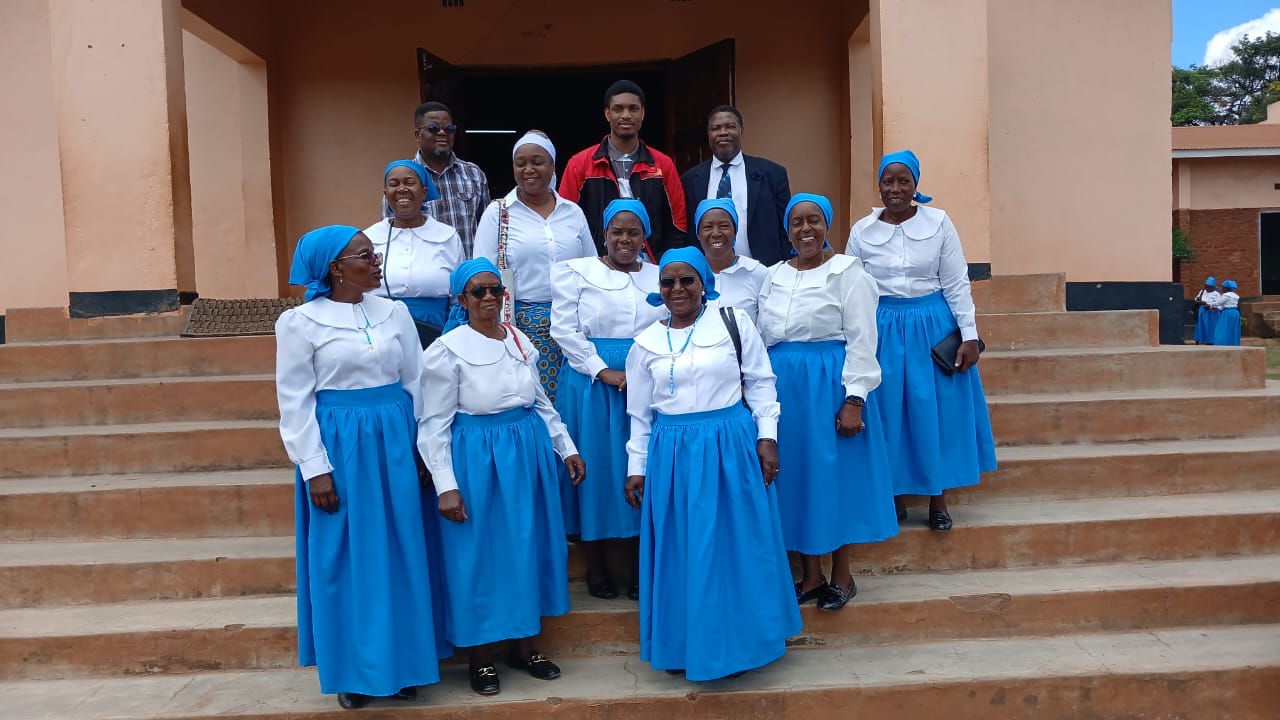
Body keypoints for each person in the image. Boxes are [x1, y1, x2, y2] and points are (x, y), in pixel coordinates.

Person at [275, 225, 448, 710]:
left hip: (395, 439)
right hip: (341, 445)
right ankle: (354, 669)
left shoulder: (394, 312)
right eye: (364, 256)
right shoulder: (300, 323)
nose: (376, 263)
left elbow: (416, 383)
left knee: (402, 550)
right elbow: (294, 402)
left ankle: (405, 663)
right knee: (346, 557)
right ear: (335, 267)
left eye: (374, 255)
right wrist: (315, 468)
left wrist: (423, 450)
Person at [624, 247, 800, 681]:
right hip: (674, 453)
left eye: (688, 280)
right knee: (686, 549)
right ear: (658, 288)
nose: (678, 289)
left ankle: (741, 646)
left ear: (705, 282)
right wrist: (636, 466)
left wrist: (768, 439)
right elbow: (640, 415)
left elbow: (760, 384)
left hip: (730, 445)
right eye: (668, 282)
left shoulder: (732, 323)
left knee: (737, 545)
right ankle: (686, 645)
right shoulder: (644, 343)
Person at [418, 258, 587, 696]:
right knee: (477, 554)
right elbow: (433, 425)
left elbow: (542, 402)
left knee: (524, 548)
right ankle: (481, 657)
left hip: (525, 452)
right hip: (479, 458)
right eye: (479, 291)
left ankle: (525, 645)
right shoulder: (447, 350)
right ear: (462, 300)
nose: (490, 298)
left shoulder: (517, 338)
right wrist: (446, 485)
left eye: (496, 289)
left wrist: (565, 446)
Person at [759, 193, 898, 611]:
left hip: (829, 383)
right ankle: (811, 574)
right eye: (797, 222)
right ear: (787, 230)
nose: (806, 229)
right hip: (785, 387)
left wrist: (855, 397)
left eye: (814, 221)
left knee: (834, 477)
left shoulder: (847, 272)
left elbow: (862, 338)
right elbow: (762, 336)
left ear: (827, 226)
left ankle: (843, 575)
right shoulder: (772, 275)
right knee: (798, 477)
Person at [846, 150, 997, 532]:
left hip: (932, 325)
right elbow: (849, 287)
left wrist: (970, 335)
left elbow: (956, 281)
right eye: (888, 181)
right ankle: (894, 495)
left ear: (915, 185)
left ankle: (938, 499)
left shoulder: (939, 222)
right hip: (882, 327)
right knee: (889, 412)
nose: (896, 189)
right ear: (879, 186)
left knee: (936, 413)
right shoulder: (862, 231)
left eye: (904, 181)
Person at [550, 199, 662, 601]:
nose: (625, 239)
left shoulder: (660, 276)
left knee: (640, 468)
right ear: (604, 234)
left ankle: (636, 567)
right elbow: (563, 330)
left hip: (645, 380)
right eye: (617, 231)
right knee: (596, 470)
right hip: (591, 383)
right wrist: (602, 369)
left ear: (644, 236)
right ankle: (596, 565)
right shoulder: (576, 272)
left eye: (633, 232)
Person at [473, 131, 595, 403]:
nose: (529, 169)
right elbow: (481, 272)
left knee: (575, 400)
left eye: (538, 161)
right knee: (535, 401)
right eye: (520, 163)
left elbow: (590, 267)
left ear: (553, 166)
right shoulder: (498, 213)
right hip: (524, 324)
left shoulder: (572, 212)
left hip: (576, 324)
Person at [560, 80, 687, 260]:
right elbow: (565, 221)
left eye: (633, 109)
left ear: (642, 113)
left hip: (651, 266)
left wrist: (665, 264)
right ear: (607, 114)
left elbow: (678, 223)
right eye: (618, 109)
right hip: (598, 265)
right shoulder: (580, 164)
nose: (626, 115)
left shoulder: (662, 164)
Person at [680, 105, 792, 266]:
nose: (723, 132)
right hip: (708, 274)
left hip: (763, 271)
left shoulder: (772, 174)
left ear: (741, 130)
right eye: (716, 128)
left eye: (730, 126)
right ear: (709, 134)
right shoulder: (690, 180)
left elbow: (785, 227)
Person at [365, 160, 465, 328]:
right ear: (386, 192)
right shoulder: (369, 238)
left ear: (424, 192)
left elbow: (459, 295)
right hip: (379, 327)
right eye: (393, 184)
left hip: (436, 328)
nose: (402, 189)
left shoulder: (448, 236)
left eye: (410, 183)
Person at [386, 101, 490, 258]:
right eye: (433, 128)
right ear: (417, 135)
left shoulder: (474, 174)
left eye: (448, 128)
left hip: (469, 274)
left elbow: (488, 228)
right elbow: (390, 232)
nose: (442, 133)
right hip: (424, 273)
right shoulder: (401, 178)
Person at [693, 198, 770, 326]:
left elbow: (765, 329)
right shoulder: (688, 275)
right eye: (707, 227)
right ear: (698, 234)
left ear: (735, 231)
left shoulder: (758, 273)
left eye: (724, 226)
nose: (716, 233)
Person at [1212, 279, 1242, 346]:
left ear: (1226, 288)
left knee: (1222, 329)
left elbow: (1218, 302)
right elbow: (1228, 305)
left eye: (1222, 287)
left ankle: (1221, 343)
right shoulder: (1236, 295)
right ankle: (1233, 343)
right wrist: (1218, 308)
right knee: (1232, 329)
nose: (1222, 289)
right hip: (1235, 313)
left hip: (1227, 314)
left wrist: (1209, 304)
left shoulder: (1226, 295)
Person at [1193, 277, 1221, 345]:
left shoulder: (1216, 294)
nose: (1207, 288)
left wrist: (1209, 305)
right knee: (1201, 325)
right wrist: (1198, 300)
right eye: (1206, 287)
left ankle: (1211, 340)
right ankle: (1199, 339)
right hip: (1202, 311)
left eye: (1209, 287)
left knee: (1211, 326)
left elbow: (1219, 304)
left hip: (1211, 312)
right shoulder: (1202, 291)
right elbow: (1196, 298)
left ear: (1213, 287)